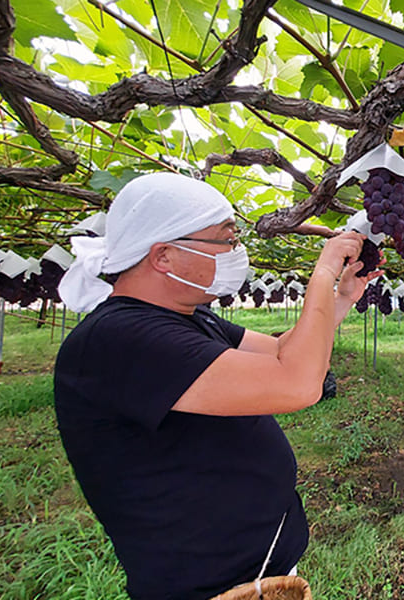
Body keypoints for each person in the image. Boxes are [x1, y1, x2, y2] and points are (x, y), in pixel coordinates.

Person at [53, 172, 380, 600]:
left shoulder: (188, 317)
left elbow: (283, 351)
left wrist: (340, 297)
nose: (234, 251)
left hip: (255, 568)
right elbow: (298, 383)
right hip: (206, 587)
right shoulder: (121, 338)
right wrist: (321, 274)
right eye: (225, 240)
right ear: (164, 256)